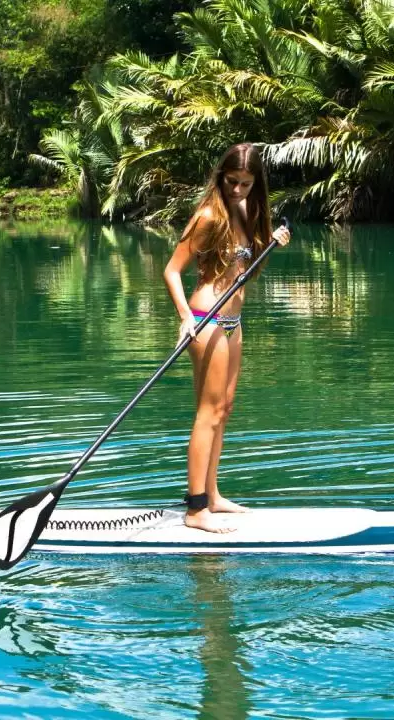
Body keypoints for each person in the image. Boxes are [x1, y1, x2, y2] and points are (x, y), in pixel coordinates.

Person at [163, 143, 291, 533]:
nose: (238, 190)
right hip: (207, 320)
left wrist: (272, 243)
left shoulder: (245, 212)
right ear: (221, 177)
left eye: (246, 184)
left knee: (225, 409)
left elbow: (244, 272)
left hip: (234, 321)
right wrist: (185, 318)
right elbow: (171, 271)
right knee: (208, 413)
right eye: (232, 182)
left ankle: (213, 495)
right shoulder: (206, 216)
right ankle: (195, 508)